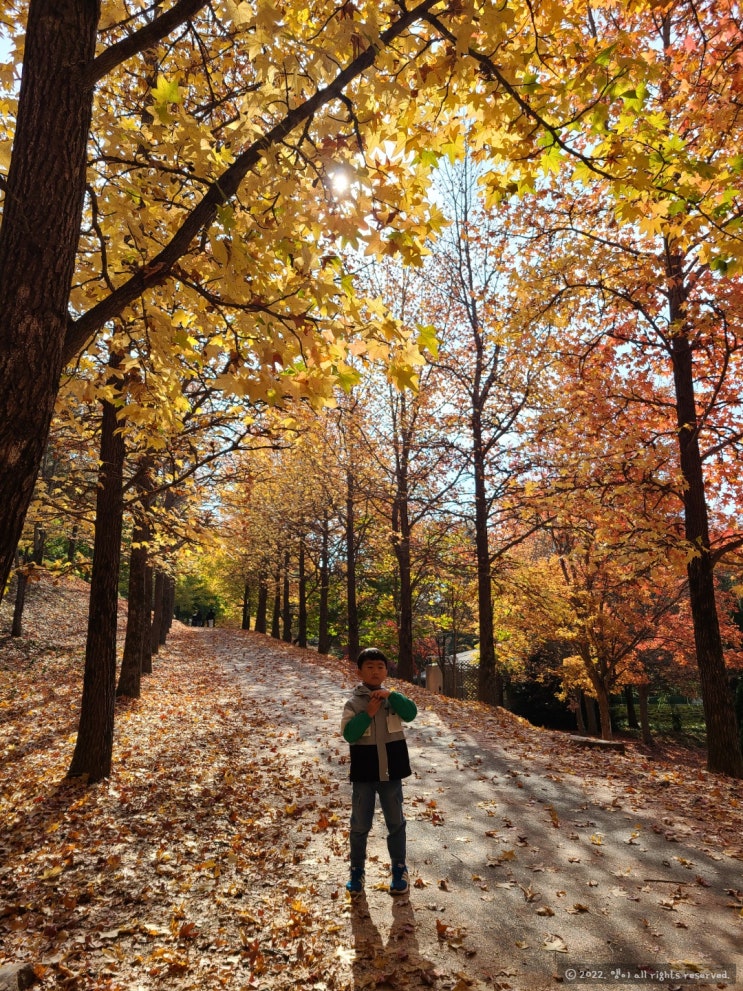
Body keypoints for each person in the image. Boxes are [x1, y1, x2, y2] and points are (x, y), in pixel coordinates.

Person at [341, 647, 418, 896]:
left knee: (396, 822)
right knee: (360, 825)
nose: (375, 671)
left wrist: (392, 696)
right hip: (364, 772)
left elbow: (411, 714)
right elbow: (349, 734)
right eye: (370, 667)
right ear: (360, 671)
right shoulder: (353, 703)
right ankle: (357, 871)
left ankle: (399, 869)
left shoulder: (393, 699)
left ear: (386, 671)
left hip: (392, 771)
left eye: (380, 667)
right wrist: (368, 713)